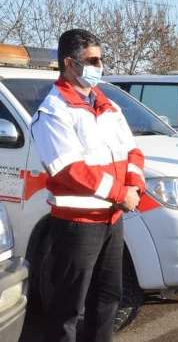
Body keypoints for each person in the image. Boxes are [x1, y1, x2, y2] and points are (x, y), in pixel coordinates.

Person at [30, 29, 144, 341]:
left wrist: (134, 184)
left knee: (107, 299)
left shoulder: (106, 105)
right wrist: (120, 192)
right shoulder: (54, 111)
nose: (100, 65)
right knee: (68, 308)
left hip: (112, 219)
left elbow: (132, 151)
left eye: (101, 58)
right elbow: (70, 170)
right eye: (92, 60)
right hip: (77, 225)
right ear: (69, 63)